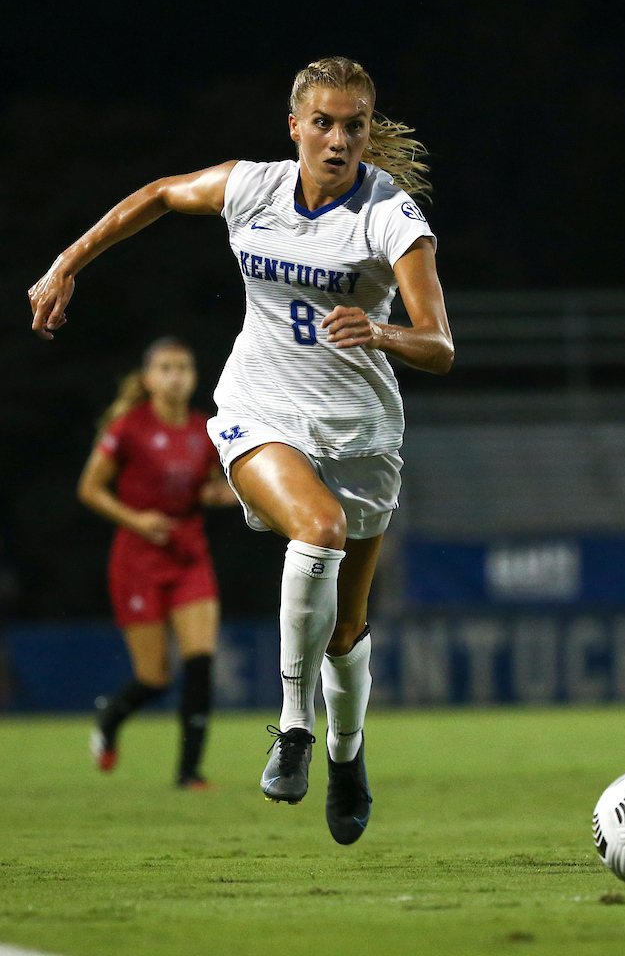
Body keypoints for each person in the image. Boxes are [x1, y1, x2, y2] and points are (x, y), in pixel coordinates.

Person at [30, 57, 453, 845]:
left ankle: (347, 755)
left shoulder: (390, 215)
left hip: (360, 431)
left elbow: (440, 345)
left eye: (354, 125)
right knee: (318, 529)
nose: (338, 139)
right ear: (294, 127)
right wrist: (65, 265)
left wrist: (382, 330)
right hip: (260, 411)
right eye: (322, 123)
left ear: (367, 131)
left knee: (348, 629)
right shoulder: (254, 187)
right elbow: (160, 194)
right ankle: (294, 729)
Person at [78, 338, 236, 788]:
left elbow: (211, 486)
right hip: (138, 558)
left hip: (188, 554)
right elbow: (89, 488)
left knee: (200, 662)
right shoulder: (129, 427)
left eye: (183, 368)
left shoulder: (205, 429)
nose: (175, 376)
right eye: (165, 368)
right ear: (148, 379)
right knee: (154, 678)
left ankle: (189, 772)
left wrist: (226, 495)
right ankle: (111, 718)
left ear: (194, 377)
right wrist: (137, 521)